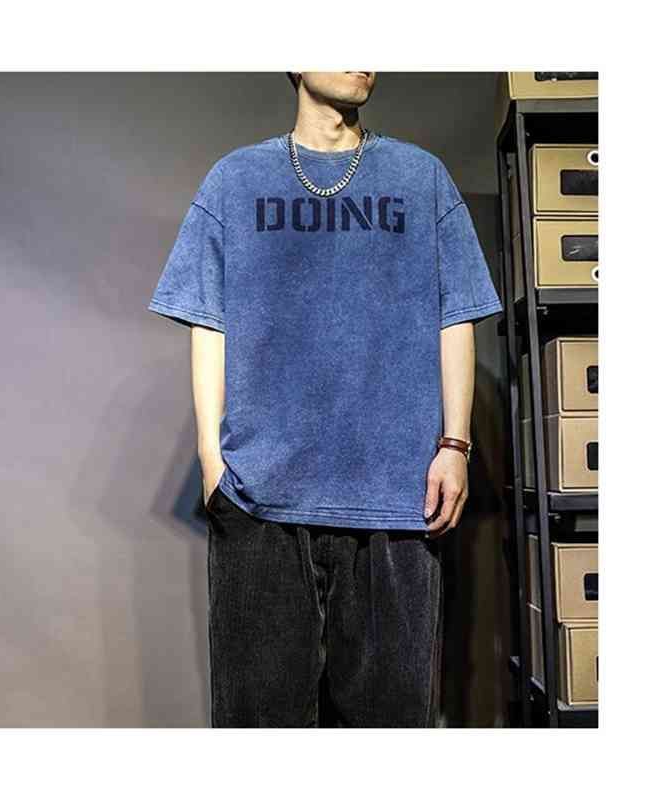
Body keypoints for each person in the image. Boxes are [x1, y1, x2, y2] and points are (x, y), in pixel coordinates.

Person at [147, 72, 503, 727]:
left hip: (396, 501)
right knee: (259, 728)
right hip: (261, 500)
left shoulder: (421, 178)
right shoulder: (235, 180)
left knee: (391, 729)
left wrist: (455, 444)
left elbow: (456, 314)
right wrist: (211, 461)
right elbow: (208, 321)